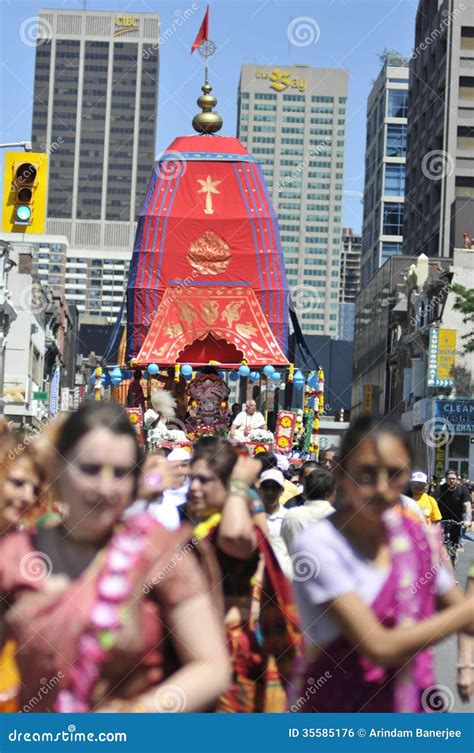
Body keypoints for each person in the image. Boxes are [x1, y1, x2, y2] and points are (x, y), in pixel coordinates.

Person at [0, 402, 230, 713]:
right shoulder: (14, 556)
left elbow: (212, 668)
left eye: (120, 473)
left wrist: (137, 714)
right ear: (57, 469)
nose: (106, 487)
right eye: (90, 468)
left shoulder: (158, 551)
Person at [290, 415, 474, 713]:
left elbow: (460, 612)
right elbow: (378, 647)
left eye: (394, 474)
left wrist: (465, 659)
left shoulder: (412, 534)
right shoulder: (319, 545)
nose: (381, 488)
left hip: (411, 706)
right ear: (340, 472)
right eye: (365, 474)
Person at [186, 439, 299, 712]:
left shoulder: (237, 526)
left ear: (227, 486)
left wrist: (239, 485)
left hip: (230, 654)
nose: (194, 488)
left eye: (204, 481)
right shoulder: (203, 523)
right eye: (192, 480)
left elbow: (234, 537)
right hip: (197, 653)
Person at [281, 468, 336, 551]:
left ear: (305, 491)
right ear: (330, 493)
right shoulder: (338, 519)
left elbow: (282, 550)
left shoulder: (291, 515)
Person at [435, 469, 471, 549]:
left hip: (457, 520)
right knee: (439, 543)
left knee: (455, 544)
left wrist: (468, 520)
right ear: (446, 479)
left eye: (453, 479)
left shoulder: (463, 489)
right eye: (449, 478)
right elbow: (432, 502)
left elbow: (467, 505)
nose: (451, 481)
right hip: (442, 519)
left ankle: (454, 555)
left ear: (457, 479)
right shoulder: (440, 489)